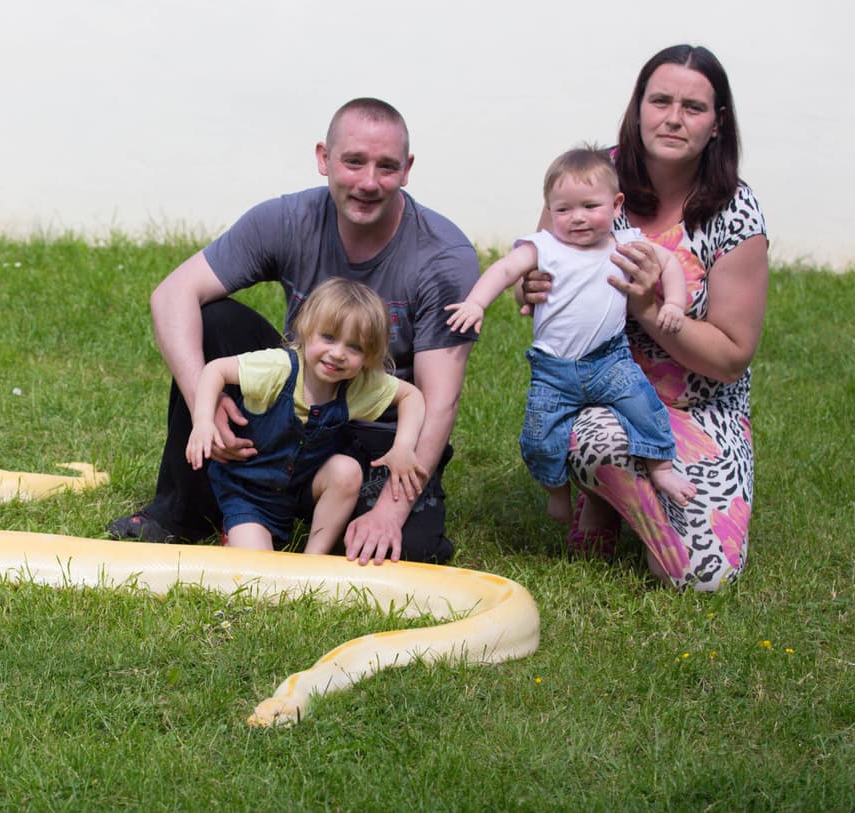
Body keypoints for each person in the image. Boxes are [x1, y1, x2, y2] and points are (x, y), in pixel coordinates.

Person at [108, 97, 480, 566]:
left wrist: (390, 510)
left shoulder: (443, 257)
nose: (368, 182)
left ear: (407, 170)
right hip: (298, 408)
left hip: (380, 436)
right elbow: (171, 295)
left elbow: (437, 399)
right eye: (353, 162)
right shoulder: (286, 219)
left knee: (410, 550)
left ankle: (324, 508)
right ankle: (183, 509)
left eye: (386, 167)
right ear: (324, 158)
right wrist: (211, 408)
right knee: (217, 320)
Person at [519, 45, 768, 591]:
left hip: (699, 407)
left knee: (702, 578)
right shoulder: (588, 181)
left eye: (693, 107)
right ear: (637, 108)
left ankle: (632, 510)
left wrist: (648, 309)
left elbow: (730, 358)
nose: (673, 118)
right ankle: (611, 501)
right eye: (660, 101)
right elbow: (544, 268)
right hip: (600, 397)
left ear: (717, 124)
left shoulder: (735, 210)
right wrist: (533, 286)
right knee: (595, 439)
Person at [445, 147, 696, 525]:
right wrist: (477, 303)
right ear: (550, 210)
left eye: (590, 206)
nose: (577, 218)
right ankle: (557, 492)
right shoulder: (544, 247)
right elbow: (505, 269)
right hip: (554, 371)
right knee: (538, 437)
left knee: (645, 408)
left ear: (616, 205)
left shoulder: (624, 244)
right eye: (563, 210)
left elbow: (670, 263)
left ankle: (661, 469)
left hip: (610, 361)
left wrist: (674, 303)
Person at [187, 278, 427, 555]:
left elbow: (411, 396)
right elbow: (215, 370)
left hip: (301, 488)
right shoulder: (278, 368)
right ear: (306, 329)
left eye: (355, 347)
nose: (337, 354)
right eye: (328, 337)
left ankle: (314, 557)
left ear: (369, 355)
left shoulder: (358, 385)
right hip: (248, 493)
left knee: (346, 470)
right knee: (256, 569)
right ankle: (237, 529)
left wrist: (403, 447)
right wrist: (203, 421)